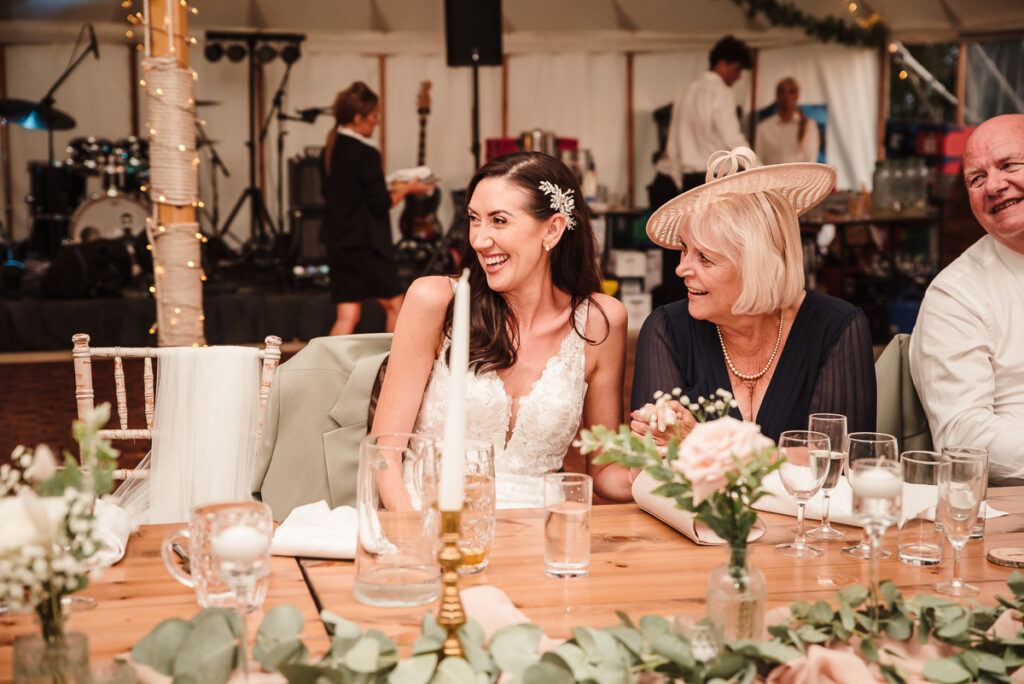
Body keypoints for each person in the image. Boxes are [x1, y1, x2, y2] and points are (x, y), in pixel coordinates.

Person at [370, 151, 632, 508]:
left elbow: (607, 472)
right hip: (431, 528)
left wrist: (685, 469)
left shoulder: (602, 321)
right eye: (474, 220)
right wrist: (420, 540)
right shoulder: (435, 301)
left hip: (538, 543)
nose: (478, 239)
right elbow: (385, 456)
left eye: (499, 221)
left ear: (553, 229)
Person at [632, 147, 876, 444]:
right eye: (684, 249)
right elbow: (654, 467)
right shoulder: (667, 330)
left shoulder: (836, 328)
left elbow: (837, 464)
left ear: (757, 266)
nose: (681, 268)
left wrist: (701, 442)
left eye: (705, 258)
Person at [909, 114, 1024, 485]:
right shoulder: (956, 295)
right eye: (977, 178)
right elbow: (963, 436)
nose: (994, 185)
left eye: (1009, 166)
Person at [319, 81, 432, 336]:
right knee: (395, 306)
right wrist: (407, 189)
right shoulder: (366, 154)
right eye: (373, 116)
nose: (377, 122)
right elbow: (381, 204)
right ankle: (392, 368)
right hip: (366, 245)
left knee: (347, 316)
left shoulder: (330, 149)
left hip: (339, 243)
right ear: (358, 118)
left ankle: (329, 372)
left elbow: (337, 194)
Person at [652, 35, 753, 306]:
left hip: (683, 180)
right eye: (736, 69)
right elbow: (733, 138)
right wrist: (759, 171)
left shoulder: (688, 90)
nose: (738, 76)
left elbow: (672, 141)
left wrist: (672, 175)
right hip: (711, 181)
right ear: (722, 64)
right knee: (710, 254)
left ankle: (675, 312)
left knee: (680, 252)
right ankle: (709, 309)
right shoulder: (719, 91)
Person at [756, 77, 821, 165]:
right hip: (771, 177)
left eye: (791, 92)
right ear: (777, 95)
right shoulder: (764, 127)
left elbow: (810, 160)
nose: (786, 96)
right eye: (782, 91)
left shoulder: (809, 126)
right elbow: (758, 160)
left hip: (800, 177)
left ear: (796, 96)